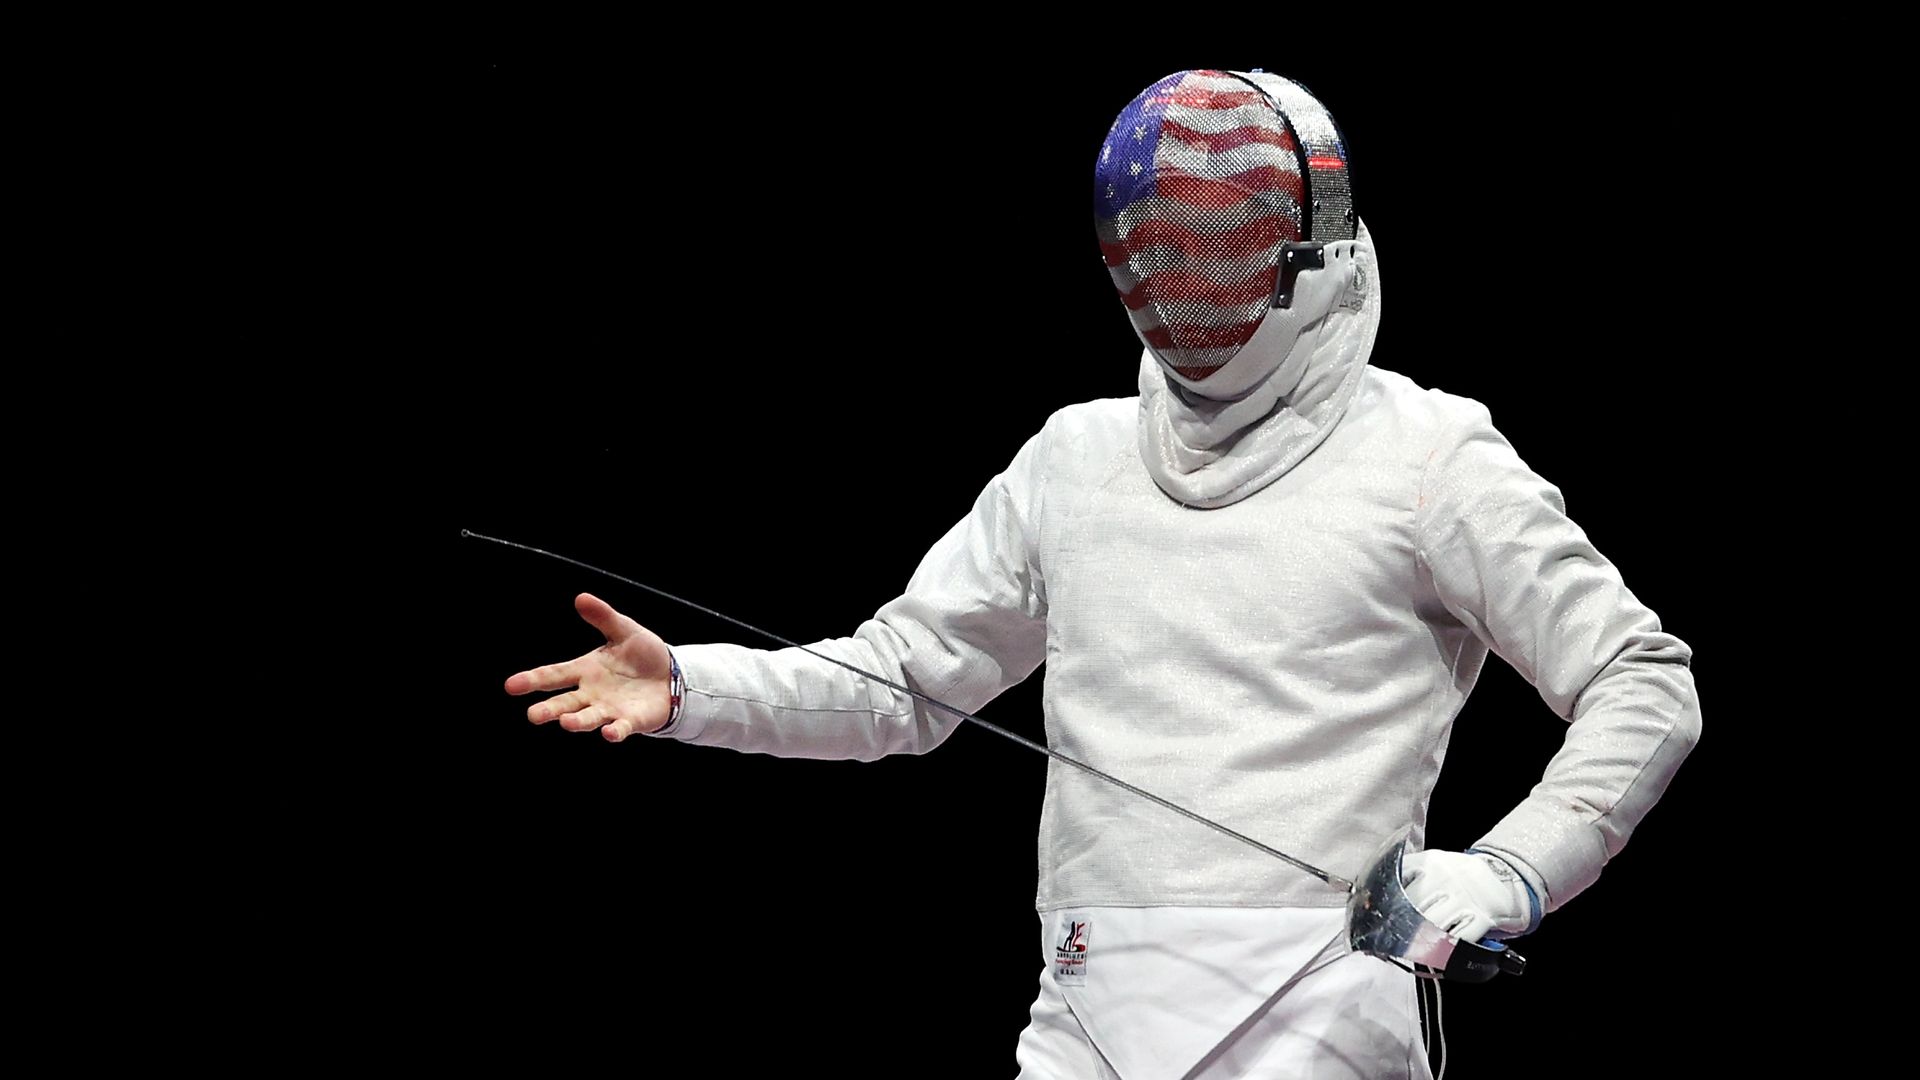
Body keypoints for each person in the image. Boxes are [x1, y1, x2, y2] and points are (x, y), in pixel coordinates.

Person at [503, 69, 1700, 1078]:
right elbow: (900, 684)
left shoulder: (1428, 455)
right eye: (1158, 255)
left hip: (1323, 1022)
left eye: (1215, 250)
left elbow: (1643, 682)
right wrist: (692, 691)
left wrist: (1507, 872)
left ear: (1311, 252)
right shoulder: (1073, 459)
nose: (1183, 283)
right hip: (1084, 1020)